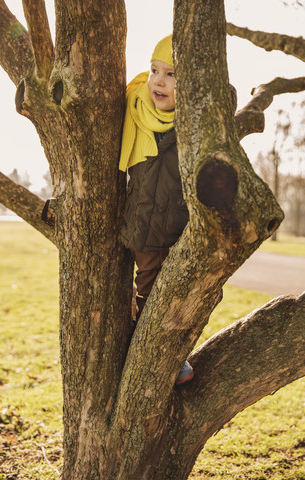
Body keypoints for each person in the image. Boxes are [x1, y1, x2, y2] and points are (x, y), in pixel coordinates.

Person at [119, 34, 193, 385]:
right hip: (144, 228)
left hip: (179, 229)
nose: (158, 81)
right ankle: (160, 359)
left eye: (171, 74)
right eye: (154, 71)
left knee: (179, 296)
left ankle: (172, 354)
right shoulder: (136, 110)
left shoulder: (193, 123)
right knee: (149, 290)